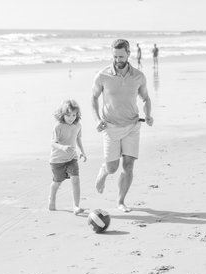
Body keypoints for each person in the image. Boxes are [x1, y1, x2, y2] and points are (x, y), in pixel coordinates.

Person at [91, 39, 153, 213]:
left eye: (121, 56)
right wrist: (97, 119)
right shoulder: (102, 75)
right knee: (113, 167)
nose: (117, 60)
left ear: (128, 54)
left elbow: (146, 98)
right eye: (115, 56)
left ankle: (121, 201)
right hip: (110, 127)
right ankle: (104, 171)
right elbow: (94, 98)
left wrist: (148, 115)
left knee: (128, 166)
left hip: (132, 126)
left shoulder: (138, 76)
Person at [49, 99, 87, 215]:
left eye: (74, 115)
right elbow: (53, 143)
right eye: (68, 115)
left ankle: (76, 206)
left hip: (72, 158)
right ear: (62, 114)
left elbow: (78, 138)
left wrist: (82, 152)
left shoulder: (77, 125)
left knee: (75, 180)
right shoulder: (58, 126)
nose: (71, 118)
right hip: (57, 160)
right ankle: (51, 198)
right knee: (57, 182)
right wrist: (62, 147)